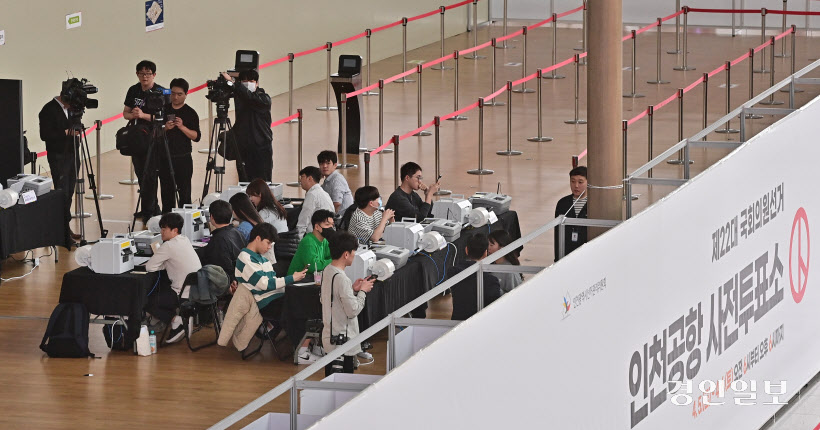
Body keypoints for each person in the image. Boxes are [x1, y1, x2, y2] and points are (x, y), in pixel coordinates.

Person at [320, 231, 375, 375]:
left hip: (330, 337)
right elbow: (353, 310)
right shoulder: (342, 279)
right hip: (343, 341)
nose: (354, 256)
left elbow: (331, 298)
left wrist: (352, 290)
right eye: (353, 252)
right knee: (343, 382)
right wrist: (362, 291)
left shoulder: (327, 270)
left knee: (330, 379)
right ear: (346, 254)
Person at [145, 212, 203, 343]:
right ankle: (176, 321)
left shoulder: (168, 245)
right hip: (196, 290)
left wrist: (161, 263)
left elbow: (149, 267)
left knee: (145, 301)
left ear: (174, 230)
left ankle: (176, 320)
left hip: (181, 294)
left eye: (164, 229)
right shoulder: (184, 239)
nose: (161, 232)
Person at [235, 223, 307, 325]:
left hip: (275, 297)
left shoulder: (262, 259)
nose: (269, 247)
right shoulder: (245, 258)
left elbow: (272, 281)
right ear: (258, 238)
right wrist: (291, 278)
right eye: (268, 243)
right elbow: (265, 284)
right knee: (300, 308)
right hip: (265, 303)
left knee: (303, 299)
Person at [123, 60, 165, 221]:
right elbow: (125, 113)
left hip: (154, 137)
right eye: (141, 73)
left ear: (154, 75)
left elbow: (162, 118)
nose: (144, 77)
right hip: (137, 138)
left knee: (151, 175)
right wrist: (133, 115)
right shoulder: (133, 90)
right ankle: (148, 207)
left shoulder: (160, 92)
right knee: (141, 173)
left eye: (148, 73)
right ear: (137, 74)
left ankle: (152, 209)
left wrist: (143, 115)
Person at [38, 90, 81, 240]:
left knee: (69, 191)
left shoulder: (72, 109)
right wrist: (66, 132)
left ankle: (65, 226)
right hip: (58, 156)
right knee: (62, 192)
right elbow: (44, 135)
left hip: (72, 153)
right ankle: (61, 229)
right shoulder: (48, 110)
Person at [220, 70, 272, 182]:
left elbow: (250, 98)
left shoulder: (264, 98)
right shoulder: (240, 97)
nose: (248, 83)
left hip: (261, 148)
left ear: (257, 83)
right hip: (244, 148)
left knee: (262, 182)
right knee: (244, 182)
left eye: (251, 81)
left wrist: (234, 82)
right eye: (244, 81)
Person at [159, 77, 201, 212]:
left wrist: (182, 127)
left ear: (186, 94)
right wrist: (165, 128)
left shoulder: (190, 113)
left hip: (183, 158)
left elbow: (196, 137)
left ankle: (184, 220)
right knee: (166, 194)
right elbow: (154, 133)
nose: (175, 97)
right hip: (165, 157)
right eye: (173, 93)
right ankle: (167, 219)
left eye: (179, 94)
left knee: (184, 193)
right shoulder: (163, 110)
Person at [449, 233, 502, 321]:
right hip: (480, 323)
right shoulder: (491, 281)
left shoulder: (452, 272)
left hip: (457, 322)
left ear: (466, 250)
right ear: (485, 253)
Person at [195, 200, 246, 283]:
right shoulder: (237, 232)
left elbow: (221, 268)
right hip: (240, 277)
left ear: (211, 217)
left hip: (227, 283)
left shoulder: (218, 239)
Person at [554, 166, 588, 262]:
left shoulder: (594, 204)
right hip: (566, 254)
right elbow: (557, 234)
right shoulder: (563, 203)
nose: (576, 186)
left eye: (580, 182)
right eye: (573, 181)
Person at [288, 209, 334, 277]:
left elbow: (333, 255)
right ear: (317, 227)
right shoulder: (308, 242)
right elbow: (313, 267)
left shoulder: (325, 241)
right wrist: (334, 261)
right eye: (327, 224)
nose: (331, 227)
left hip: (313, 278)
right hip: (297, 280)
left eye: (332, 225)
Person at [296, 166, 334, 237]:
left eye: (302, 177)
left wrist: (299, 239)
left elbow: (304, 220)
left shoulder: (312, 195)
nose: (300, 180)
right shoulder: (323, 193)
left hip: (315, 235)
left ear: (310, 178)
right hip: (326, 233)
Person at [317, 150, 354, 219]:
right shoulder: (328, 180)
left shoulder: (337, 180)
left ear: (335, 165)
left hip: (341, 219)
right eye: (321, 163)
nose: (324, 166)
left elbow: (337, 204)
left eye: (328, 163)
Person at [487, 230, 524, 294]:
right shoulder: (489, 265)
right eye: (487, 244)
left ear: (502, 247)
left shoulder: (510, 272)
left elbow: (516, 295)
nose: (488, 248)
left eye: (491, 245)